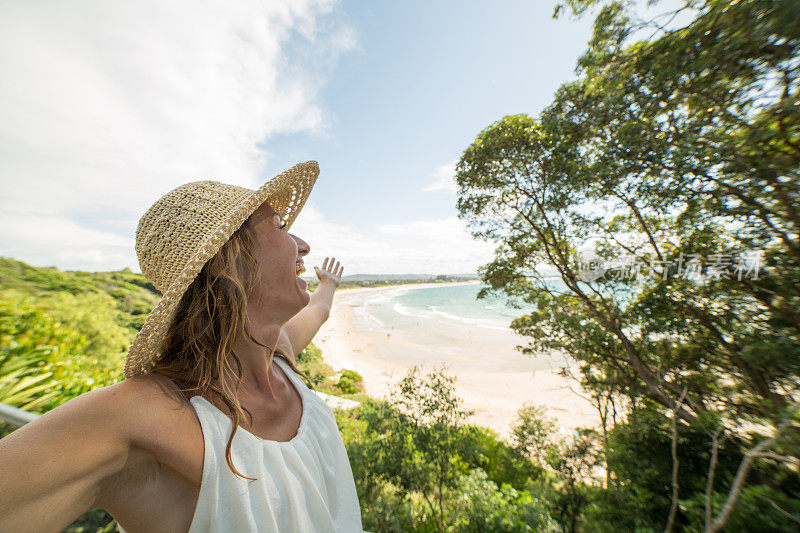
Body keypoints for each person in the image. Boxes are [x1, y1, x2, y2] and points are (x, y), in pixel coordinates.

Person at [0, 161, 366, 532]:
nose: (303, 245)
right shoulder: (142, 415)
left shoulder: (279, 354)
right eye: (281, 226)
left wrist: (329, 283)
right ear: (230, 260)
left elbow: (318, 308)